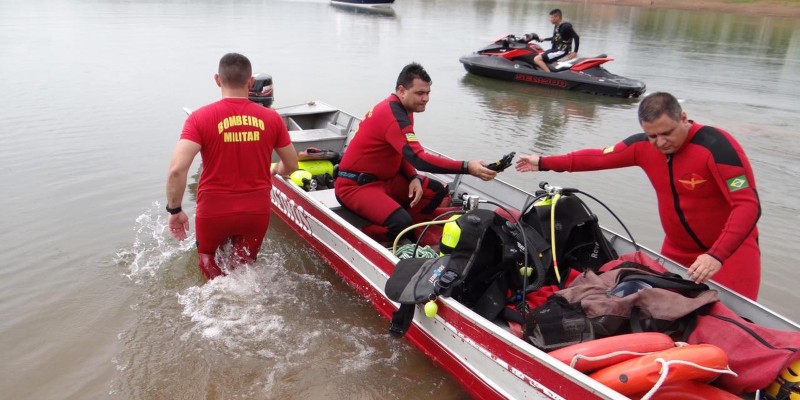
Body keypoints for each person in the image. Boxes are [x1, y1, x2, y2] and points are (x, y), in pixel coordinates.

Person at [514, 92, 761, 300]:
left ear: (683, 118)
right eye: (652, 136)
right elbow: (599, 157)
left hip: (730, 253)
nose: (661, 142)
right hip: (677, 250)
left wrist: (716, 255)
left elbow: (748, 205)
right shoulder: (643, 147)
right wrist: (543, 162)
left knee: (737, 322)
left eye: (667, 133)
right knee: (670, 314)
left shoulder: (716, 146)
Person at [166, 52, 299, 280]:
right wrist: (276, 170)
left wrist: (175, 210)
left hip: (214, 209)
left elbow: (177, 170)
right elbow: (292, 164)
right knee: (244, 270)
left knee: (208, 259)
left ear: (217, 80)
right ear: (250, 83)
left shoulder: (199, 118)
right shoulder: (272, 118)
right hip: (255, 210)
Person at [335, 62, 498, 244]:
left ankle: (412, 230)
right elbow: (419, 158)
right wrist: (467, 167)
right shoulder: (392, 115)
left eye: (428, 93)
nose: (426, 98)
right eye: (420, 93)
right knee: (400, 224)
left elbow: (404, 152)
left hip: (387, 179)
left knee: (435, 191)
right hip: (356, 186)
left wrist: (413, 177)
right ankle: (362, 235)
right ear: (402, 90)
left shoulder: (404, 110)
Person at [533, 8, 580, 73]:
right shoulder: (557, 25)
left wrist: (575, 52)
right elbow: (556, 38)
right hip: (555, 50)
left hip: (561, 51)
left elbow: (576, 37)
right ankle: (549, 71)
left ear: (557, 17)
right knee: (537, 54)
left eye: (551, 17)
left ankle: (549, 75)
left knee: (537, 59)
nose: (550, 20)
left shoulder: (566, 27)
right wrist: (545, 39)